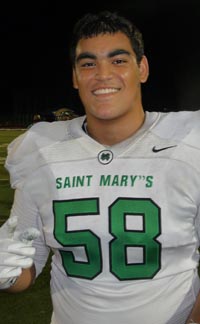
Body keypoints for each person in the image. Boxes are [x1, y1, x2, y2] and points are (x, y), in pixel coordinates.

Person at [0, 10, 200, 324]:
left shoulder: (190, 140)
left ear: (142, 68)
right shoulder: (41, 149)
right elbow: (27, 258)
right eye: (88, 63)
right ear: (75, 76)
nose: (102, 74)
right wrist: (5, 271)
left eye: (118, 60)